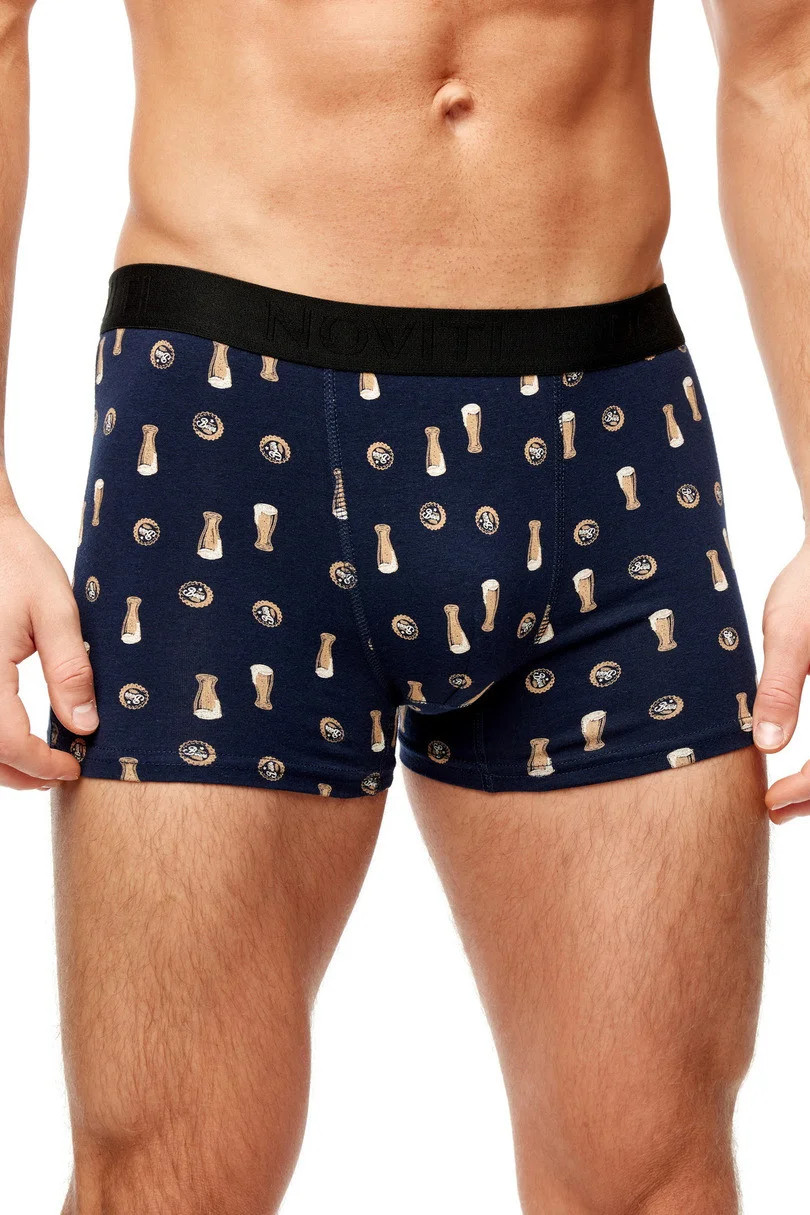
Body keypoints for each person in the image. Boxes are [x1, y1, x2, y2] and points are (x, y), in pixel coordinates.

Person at [1, 0, 807, 1210]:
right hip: (227, 430)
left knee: (654, 1176)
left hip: (607, 436)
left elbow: (786, 61)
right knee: (164, 1176)